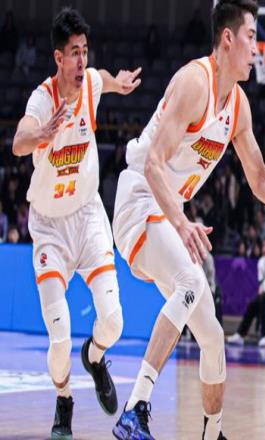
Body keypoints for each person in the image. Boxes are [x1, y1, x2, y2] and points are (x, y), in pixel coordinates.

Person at [111, 2, 265, 440]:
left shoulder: (239, 106)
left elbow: (260, 181)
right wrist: (181, 222)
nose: (257, 47)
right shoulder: (194, 82)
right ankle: (135, 408)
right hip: (140, 199)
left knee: (213, 336)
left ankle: (212, 433)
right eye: (252, 36)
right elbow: (154, 164)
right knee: (191, 283)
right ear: (228, 39)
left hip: (167, 211)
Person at [12, 7, 141, 439]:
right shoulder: (42, 99)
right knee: (60, 337)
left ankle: (96, 356)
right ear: (58, 57)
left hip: (87, 218)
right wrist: (42, 134)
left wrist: (118, 82)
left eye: (85, 51)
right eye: (74, 52)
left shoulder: (91, 85)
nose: (82, 60)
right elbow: (18, 141)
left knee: (115, 321)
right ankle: (64, 400)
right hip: (49, 227)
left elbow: (102, 78)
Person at [227, 236, 265, 347]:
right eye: (263, 246)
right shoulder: (261, 262)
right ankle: (240, 334)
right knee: (252, 304)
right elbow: (261, 282)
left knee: (263, 301)